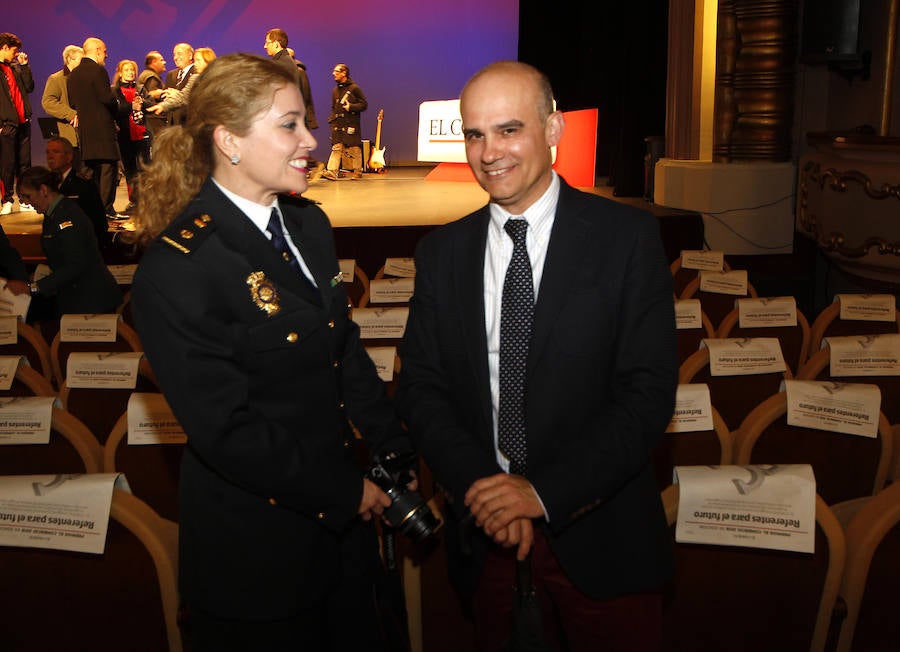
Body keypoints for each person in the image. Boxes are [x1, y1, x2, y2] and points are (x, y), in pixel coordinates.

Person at [129, 53, 410, 651]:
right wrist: (346, 490)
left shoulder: (308, 226)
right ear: (229, 140)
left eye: (306, 123)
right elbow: (225, 430)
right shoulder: (180, 267)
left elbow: (342, 349)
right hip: (259, 561)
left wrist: (392, 442)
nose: (311, 140)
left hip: (344, 542)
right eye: (289, 125)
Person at [396, 61, 678, 652]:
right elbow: (423, 390)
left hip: (603, 535)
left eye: (507, 129)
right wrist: (487, 490)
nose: (488, 152)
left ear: (553, 130)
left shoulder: (627, 239)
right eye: (473, 134)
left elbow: (646, 396)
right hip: (487, 538)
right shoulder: (441, 253)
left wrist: (541, 492)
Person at [16, 166, 121, 315]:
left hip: (91, 302)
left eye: (28, 196)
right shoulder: (53, 214)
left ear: (44, 190)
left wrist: (33, 287)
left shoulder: (66, 215)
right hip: (77, 298)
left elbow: (75, 265)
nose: (25, 202)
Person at [67, 37, 120, 218]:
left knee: (89, 169)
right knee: (107, 168)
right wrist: (118, 104)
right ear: (97, 50)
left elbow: (72, 102)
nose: (106, 55)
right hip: (102, 128)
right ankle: (105, 210)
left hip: (85, 129)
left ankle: (90, 209)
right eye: (104, 51)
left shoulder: (73, 73)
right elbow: (107, 98)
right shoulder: (98, 70)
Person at [266, 32, 323, 182]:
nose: (265, 46)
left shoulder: (282, 65)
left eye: (267, 42)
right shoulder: (285, 63)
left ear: (276, 44)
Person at [45, 136, 108, 247]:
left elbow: (99, 222)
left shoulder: (83, 184)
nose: (50, 156)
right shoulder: (48, 184)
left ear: (69, 157)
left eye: (55, 152)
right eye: (47, 152)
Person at [0, 33, 34, 214]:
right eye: (14, 50)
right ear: (4, 47)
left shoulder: (15, 68)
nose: (16, 54)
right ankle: (6, 200)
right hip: (6, 124)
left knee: (24, 163)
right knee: (7, 164)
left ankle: (24, 199)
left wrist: (25, 66)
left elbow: (29, 87)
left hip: (23, 122)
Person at [112, 59, 149, 211]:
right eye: (127, 70)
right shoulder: (114, 90)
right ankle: (134, 200)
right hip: (125, 134)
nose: (131, 73)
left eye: (133, 70)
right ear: (120, 73)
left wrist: (143, 103)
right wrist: (131, 106)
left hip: (141, 133)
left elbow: (151, 104)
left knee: (144, 168)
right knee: (130, 169)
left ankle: (146, 201)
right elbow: (116, 109)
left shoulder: (140, 88)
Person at [41, 45, 84, 170]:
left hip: (86, 133)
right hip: (69, 133)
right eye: (80, 60)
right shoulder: (57, 79)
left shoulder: (82, 78)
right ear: (69, 59)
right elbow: (48, 102)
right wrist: (71, 114)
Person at [323, 63, 366, 181]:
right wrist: (332, 120)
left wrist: (351, 107)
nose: (334, 74)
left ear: (344, 73)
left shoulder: (354, 88)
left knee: (354, 148)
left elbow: (364, 104)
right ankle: (332, 171)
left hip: (350, 123)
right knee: (337, 147)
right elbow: (334, 107)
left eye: (337, 71)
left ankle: (358, 170)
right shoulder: (335, 90)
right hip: (338, 124)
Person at [145, 47, 215, 117]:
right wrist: (162, 106)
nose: (195, 64)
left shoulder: (218, 79)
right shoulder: (194, 78)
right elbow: (182, 97)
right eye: (195, 61)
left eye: (198, 60)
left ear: (208, 61)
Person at [136, 51, 167, 138]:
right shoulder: (151, 77)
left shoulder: (147, 75)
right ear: (154, 62)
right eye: (161, 60)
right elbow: (151, 96)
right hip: (154, 121)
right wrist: (164, 93)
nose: (164, 62)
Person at [164, 43, 195, 126]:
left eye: (179, 54)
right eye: (174, 55)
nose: (176, 58)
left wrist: (177, 95)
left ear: (190, 56)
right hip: (172, 125)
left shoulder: (197, 73)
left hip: (189, 123)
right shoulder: (171, 75)